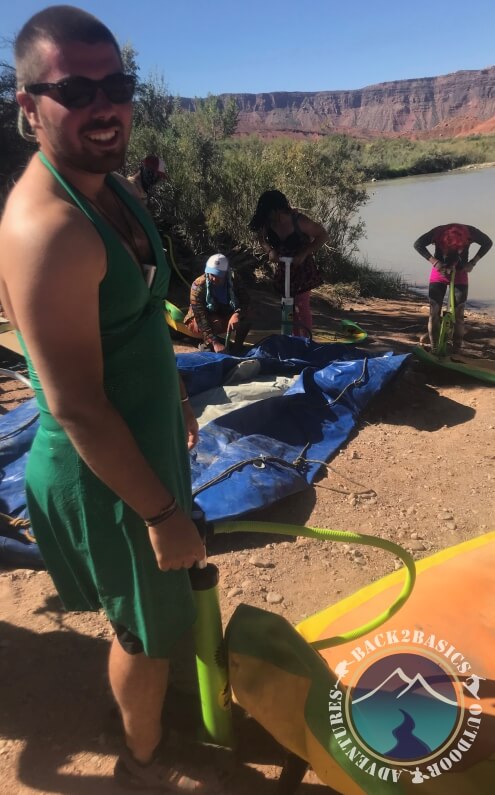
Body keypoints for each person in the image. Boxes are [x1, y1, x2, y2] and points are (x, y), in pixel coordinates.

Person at [0, 6, 212, 792]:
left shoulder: (107, 185)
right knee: (143, 630)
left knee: (155, 610)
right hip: (106, 473)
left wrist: (174, 392)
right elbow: (77, 406)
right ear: (29, 105)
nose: (105, 106)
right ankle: (142, 761)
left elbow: (137, 320)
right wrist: (161, 513)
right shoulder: (48, 229)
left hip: (141, 439)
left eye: (117, 86)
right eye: (77, 91)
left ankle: (150, 717)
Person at [249, 190, 329, 336]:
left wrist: (304, 253)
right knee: (287, 305)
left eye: (269, 212)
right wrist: (270, 250)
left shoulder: (299, 221)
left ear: (277, 209)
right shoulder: (267, 222)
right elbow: (261, 238)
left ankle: (305, 340)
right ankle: (290, 337)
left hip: (302, 268)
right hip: (284, 269)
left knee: (301, 304)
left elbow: (322, 235)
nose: (267, 216)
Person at [414, 223, 492, 353]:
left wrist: (472, 263)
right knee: (434, 312)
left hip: (460, 274)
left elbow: (488, 243)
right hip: (439, 273)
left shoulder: (470, 232)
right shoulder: (438, 232)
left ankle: (457, 349)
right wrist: (435, 262)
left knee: (459, 314)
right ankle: (434, 348)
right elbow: (418, 244)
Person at [184, 253, 251, 354]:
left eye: (219, 275)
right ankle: (208, 344)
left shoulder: (234, 279)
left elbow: (245, 301)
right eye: (212, 274)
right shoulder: (198, 286)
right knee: (216, 323)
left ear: (226, 273)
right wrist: (214, 343)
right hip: (204, 317)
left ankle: (237, 347)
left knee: (248, 316)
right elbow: (200, 317)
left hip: (224, 311)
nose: (214, 279)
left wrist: (237, 314)